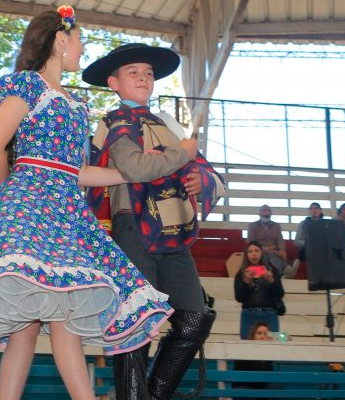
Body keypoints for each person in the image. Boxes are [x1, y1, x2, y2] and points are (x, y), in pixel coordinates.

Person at [0, 7, 173, 400]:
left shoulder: (74, 104)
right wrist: (15, 193)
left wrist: (131, 173)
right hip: (30, 208)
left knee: (55, 317)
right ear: (60, 39)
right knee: (39, 321)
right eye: (79, 40)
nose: (82, 47)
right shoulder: (30, 86)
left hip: (66, 214)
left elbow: (75, 171)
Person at [83, 42, 225, 400]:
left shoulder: (168, 123)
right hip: (133, 226)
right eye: (134, 72)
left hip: (173, 231)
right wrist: (182, 154)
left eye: (148, 73)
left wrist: (200, 179)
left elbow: (214, 177)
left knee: (194, 316)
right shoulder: (114, 121)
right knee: (135, 319)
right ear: (114, 83)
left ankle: (150, 396)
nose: (144, 77)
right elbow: (134, 168)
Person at [234, 241, 285, 339]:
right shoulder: (241, 273)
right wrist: (246, 282)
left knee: (272, 346)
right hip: (249, 315)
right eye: (250, 252)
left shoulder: (271, 270)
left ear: (261, 253)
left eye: (257, 251)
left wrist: (271, 281)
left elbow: (280, 294)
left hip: (269, 314)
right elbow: (239, 298)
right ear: (246, 255)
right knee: (246, 346)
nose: (254, 254)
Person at [232, 321, 275, 400]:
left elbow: (268, 377)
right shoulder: (244, 350)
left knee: (275, 388)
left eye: (265, 334)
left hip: (261, 387)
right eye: (259, 333)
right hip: (245, 386)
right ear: (253, 335)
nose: (262, 337)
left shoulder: (268, 353)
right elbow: (246, 378)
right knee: (244, 392)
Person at [247, 205, 288, 275]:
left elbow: (280, 240)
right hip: (259, 250)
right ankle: (285, 269)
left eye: (268, 211)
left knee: (273, 254)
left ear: (271, 214)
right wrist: (264, 249)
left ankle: (277, 272)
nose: (266, 213)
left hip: (274, 251)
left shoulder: (276, 226)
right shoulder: (252, 226)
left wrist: (281, 250)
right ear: (259, 214)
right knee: (266, 255)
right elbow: (251, 242)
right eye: (264, 211)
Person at [289, 202, 324, 278]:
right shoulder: (303, 224)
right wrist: (310, 243)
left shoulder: (326, 224)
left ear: (320, 211)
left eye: (316, 208)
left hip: (322, 250)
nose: (314, 210)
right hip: (306, 249)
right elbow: (296, 241)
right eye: (311, 209)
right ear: (309, 211)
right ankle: (290, 273)